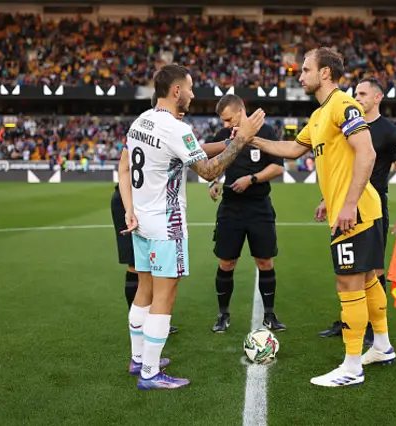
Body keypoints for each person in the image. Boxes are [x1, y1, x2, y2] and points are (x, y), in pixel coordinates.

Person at [250, 47, 393, 387]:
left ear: (325, 72)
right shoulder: (318, 115)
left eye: (305, 69)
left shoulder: (343, 104)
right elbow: (292, 149)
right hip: (357, 209)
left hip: (356, 212)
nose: (300, 76)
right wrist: (250, 138)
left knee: (349, 283)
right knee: (369, 279)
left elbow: (367, 152)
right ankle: (383, 347)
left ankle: (352, 365)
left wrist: (347, 204)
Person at [117, 64, 266, 390]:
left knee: (144, 290)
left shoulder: (141, 121)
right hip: (166, 224)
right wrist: (241, 139)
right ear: (175, 91)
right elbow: (210, 171)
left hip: (141, 221)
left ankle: (139, 359)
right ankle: (150, 374)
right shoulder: (174, 128)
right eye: (190, 88)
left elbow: (124, 167)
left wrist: (129, 209)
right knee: (164, 297)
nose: (193, 94)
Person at [317, 78, 396, 348]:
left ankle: (374, 329)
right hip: (346, 204)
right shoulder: (347, 125)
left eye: (362, 93)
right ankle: (350, 320)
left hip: (372, 207)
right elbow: (341, 169)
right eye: (355, 92)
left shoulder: (388, 131)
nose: (356, 97)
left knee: (373, 269)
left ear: (377, 98)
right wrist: (327, 200)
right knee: (350, 270)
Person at [207, 94, 286, 333]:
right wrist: (213, 181)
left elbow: (278, 167)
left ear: (241, 111)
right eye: (223, 120)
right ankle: (223, 315)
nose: (226, 125)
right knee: (226, 262)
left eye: (229, 119)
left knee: (265, 261)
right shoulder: (223, 136)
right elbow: (211, 165)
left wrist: (252, 179)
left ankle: (270, 315)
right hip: (231, 207)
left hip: (259, 206)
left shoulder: (266, 131)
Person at [110, 183, 179, 334]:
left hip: (150, 203)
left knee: (151, 266)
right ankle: (138, 321)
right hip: (131, 202)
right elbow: (125, 170)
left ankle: (148, 319)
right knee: (136, 264)